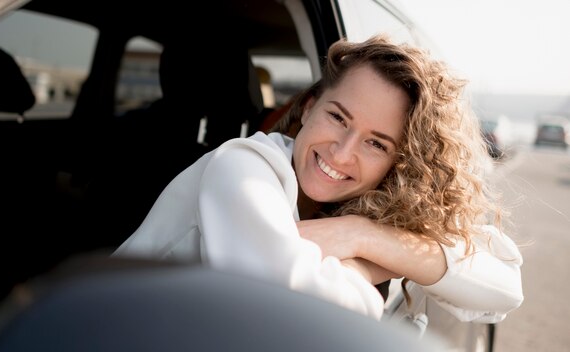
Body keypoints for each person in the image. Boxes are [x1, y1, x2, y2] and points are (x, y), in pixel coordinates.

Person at [113, 34, 523, 322]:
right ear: (309, 108)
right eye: (338, 117)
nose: (342, 153)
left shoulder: (372, 209)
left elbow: (504, 285)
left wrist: (363, 235)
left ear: (399, 163)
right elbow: (296, 317)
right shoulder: (242, 165)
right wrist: (367, 268)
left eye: (376, 144)